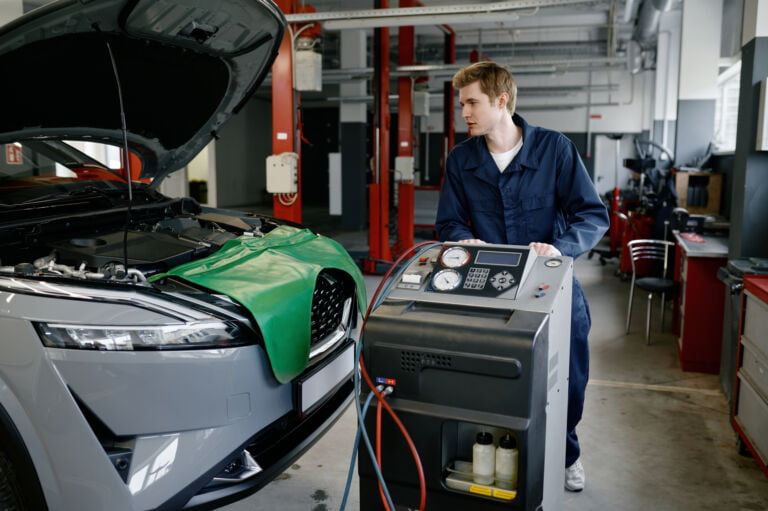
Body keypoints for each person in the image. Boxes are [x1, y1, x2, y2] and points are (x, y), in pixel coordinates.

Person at [435, 61, 609, 492]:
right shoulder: (462, 160)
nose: (464, 113)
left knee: (568, 379)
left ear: (501, 101)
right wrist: (463, 241)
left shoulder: (554, 150)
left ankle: (567, 453)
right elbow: (449, 223)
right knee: (490, 376)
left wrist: (560, 248)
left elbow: (592, 214)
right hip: (488, 291)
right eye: (462, 104)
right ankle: (491, 449)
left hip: (552, 289)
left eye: (472, 102)